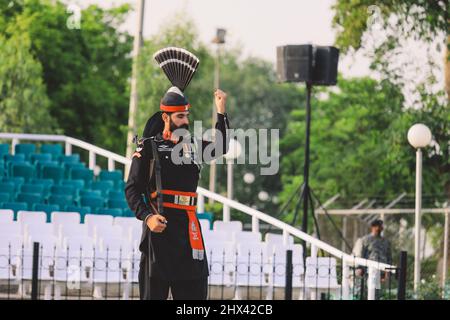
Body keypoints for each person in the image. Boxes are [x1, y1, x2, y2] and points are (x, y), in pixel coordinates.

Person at [125, 85, 230, 300]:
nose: (185, 121)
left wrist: (221, 111)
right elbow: (132, 189)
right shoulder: (147, 148)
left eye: (187, 116)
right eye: (180, 116)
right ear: (165, 117)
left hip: (189, 233)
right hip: (158, 232)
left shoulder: (192, 146)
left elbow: (221, 146)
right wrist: (147, 217)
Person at [352, 219, 392, 299]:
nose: (380, 228)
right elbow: (360, 255)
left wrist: (387, 272)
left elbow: (389, 257)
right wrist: (360, 268)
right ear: (373, 227)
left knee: (376, 293)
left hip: (380, 272)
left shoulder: (386, 242)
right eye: (378, 226)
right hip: (367, 271)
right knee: (363, 293)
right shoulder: (365, 240)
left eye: (381, 226)